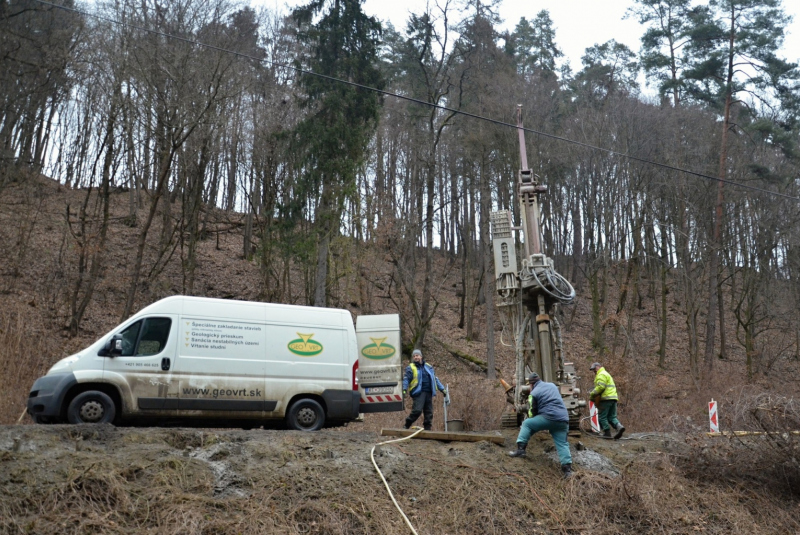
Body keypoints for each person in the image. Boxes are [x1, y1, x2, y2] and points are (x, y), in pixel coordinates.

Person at [508, 373, 573, 479]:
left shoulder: (534, 392)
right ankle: (567, 470)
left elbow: (532, 411)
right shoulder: (552, 385)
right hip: (563, 418)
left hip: (548, 417)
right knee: (562, 444)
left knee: (527, 424)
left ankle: (520, 450)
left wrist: (531, 417)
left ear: (531, 384)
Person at [402, 348, 447, 431]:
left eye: (417, 355)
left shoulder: (428, 367)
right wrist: (404, 389)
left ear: (421, 356)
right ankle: (407, 424)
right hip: (418, 392)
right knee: (417, 410)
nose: (416, 357)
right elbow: (406, 379)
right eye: (414, 356)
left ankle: (427, 429)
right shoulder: (410, 367)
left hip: (429, 392)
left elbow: (435, 379)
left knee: (428, 412)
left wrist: (442, 389)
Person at [589, 362, 625, 439]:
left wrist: (592, 394)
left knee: (602, 417)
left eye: (594, 369)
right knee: (612, 417)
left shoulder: (601, 374)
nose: (594, 371)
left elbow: (601, 387)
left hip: (605, 399)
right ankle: (619, 427)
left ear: (598, 367)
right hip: (613, 398)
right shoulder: (606, 373)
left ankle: (607, 433)